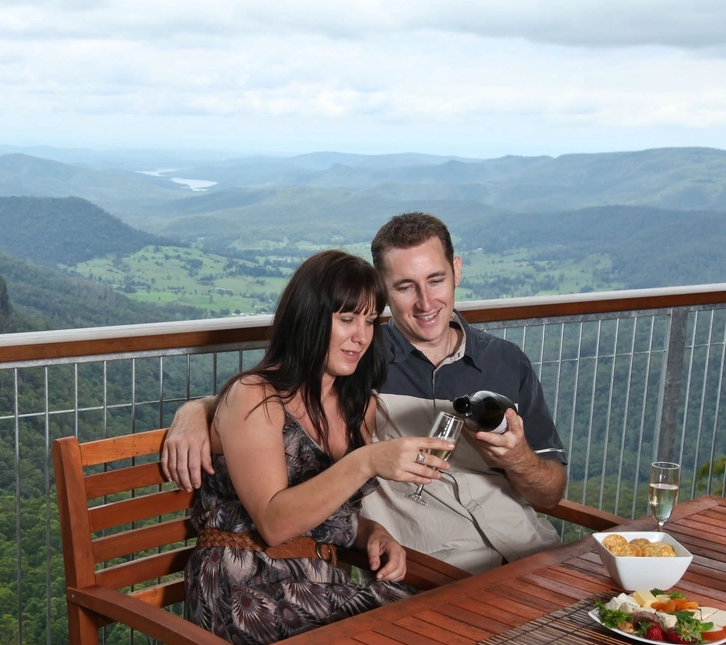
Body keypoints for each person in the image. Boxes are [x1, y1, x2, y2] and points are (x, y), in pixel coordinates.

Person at [164, 213, 566, 575]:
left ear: (456, 271)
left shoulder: (507, 362)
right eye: (405, 287)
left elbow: (551, 493)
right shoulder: (362, 365)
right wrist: (197, 410)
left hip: (530, 552)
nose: (426, 302)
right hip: (443, 573)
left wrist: (520, 460)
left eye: (436, 280)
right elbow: (277, 393)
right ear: (384, 290)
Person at [183, 250, 453, 645]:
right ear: (309, 318)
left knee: (430, 623)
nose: (361, 336)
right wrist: (366, 461)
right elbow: (275, 523)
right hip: (243, 590)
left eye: (370, 320)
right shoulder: (256, 397)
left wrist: (373, 533)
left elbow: (325, 508)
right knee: (413, 633)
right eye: (346, 319)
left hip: (316, 583)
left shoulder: (357, 407)